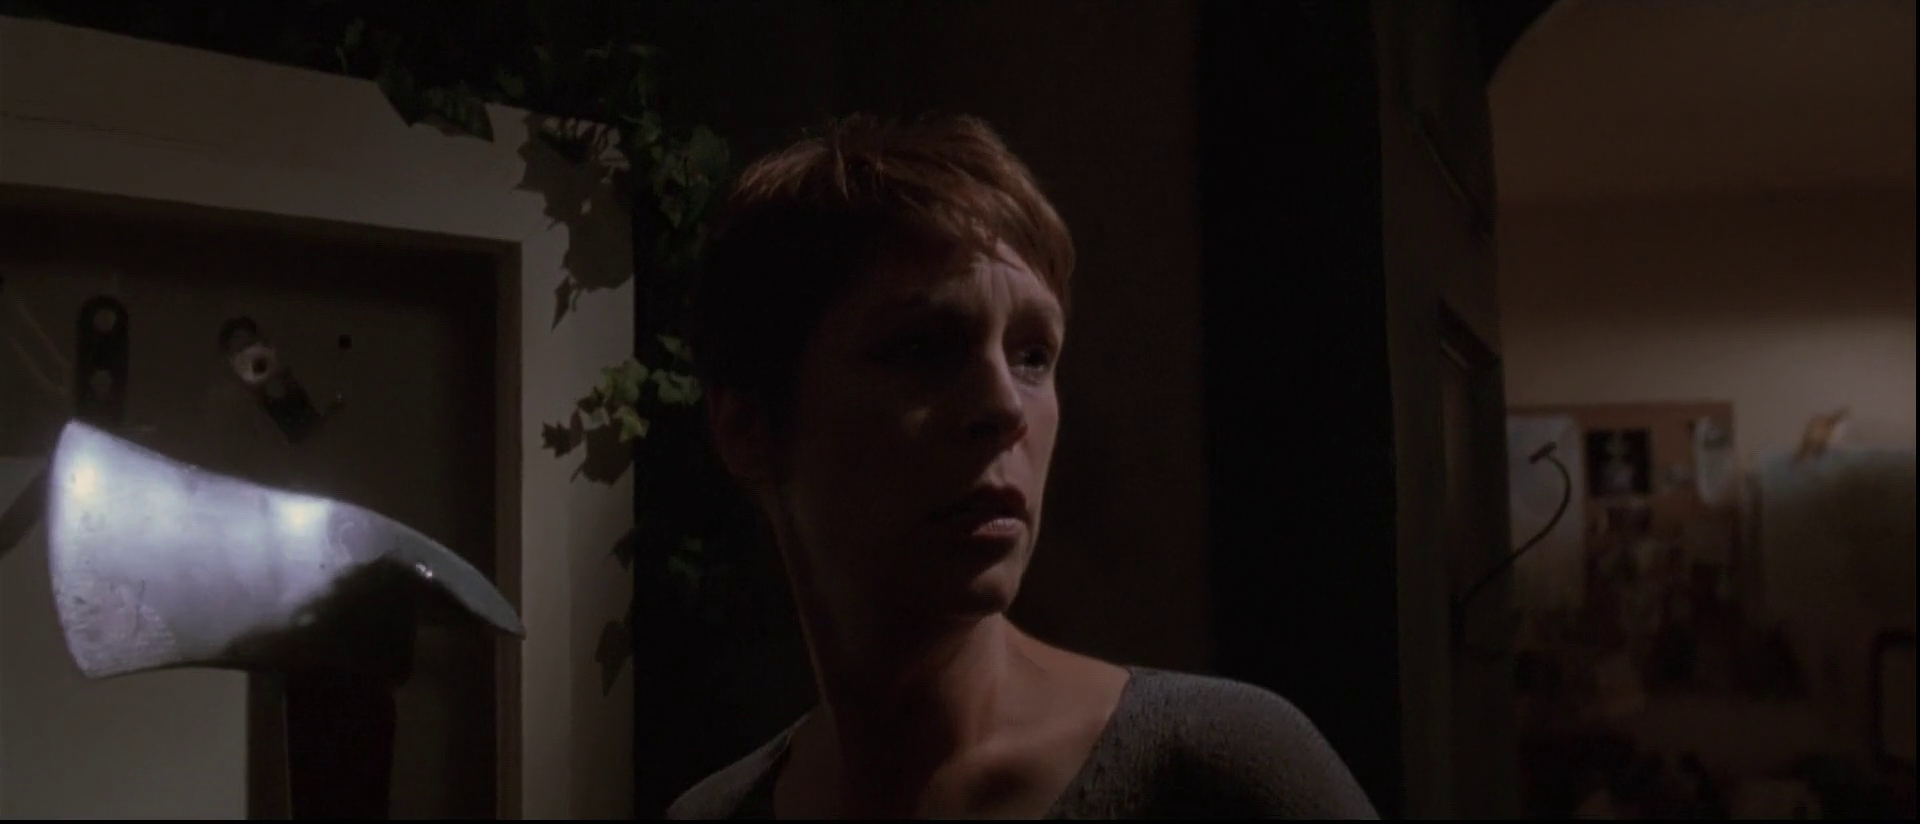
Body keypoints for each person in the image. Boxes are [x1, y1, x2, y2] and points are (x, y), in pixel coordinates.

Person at [669, 113, 1378, 819]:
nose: (1005, 407)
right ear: (747, 425)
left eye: (1033, 356)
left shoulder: (1221, 769)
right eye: (921, 348)